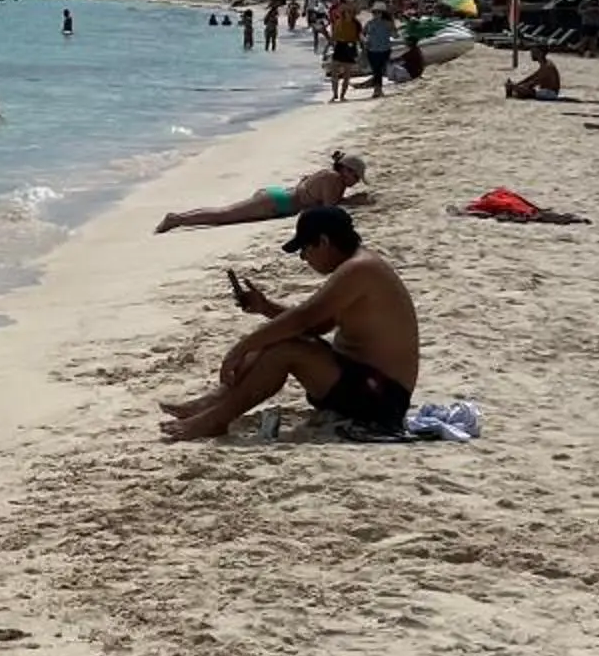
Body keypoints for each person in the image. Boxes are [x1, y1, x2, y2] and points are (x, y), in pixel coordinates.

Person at [157, 207, 420, 441]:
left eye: (305, 249)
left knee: (285, 349)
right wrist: (265, 307)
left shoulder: (359, 269)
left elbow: (302, 320)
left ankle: (216, 419)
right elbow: (317, 325)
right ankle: (211, 403)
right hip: (363, 383)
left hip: (381, 398)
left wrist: (238, 350)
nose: (304, 258)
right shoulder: (357, 266)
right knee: (278, 338)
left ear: (324, 242)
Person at [154, 151, 368, 233]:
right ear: (345, 171)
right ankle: (177, 219)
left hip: (278, 196)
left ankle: (179, 219)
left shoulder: (328, 175)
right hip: (277, 203)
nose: (356, 181)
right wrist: (354, 202)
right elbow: (329, 209)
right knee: (223, 215)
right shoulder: (334, 180)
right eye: (356, 176)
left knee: (225, 213)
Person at [324, 0, 362, 104]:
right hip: (340, 45)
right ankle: (335, 94)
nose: (347, 13)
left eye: (349, 12)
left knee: (347, 73)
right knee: (334, 72)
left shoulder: (356, 24)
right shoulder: (339, 22)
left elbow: (359, 38)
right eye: (346, 12)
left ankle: (342, 95)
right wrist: (327, 48)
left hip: (350, 46)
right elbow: (333, 37)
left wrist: (362, 49)